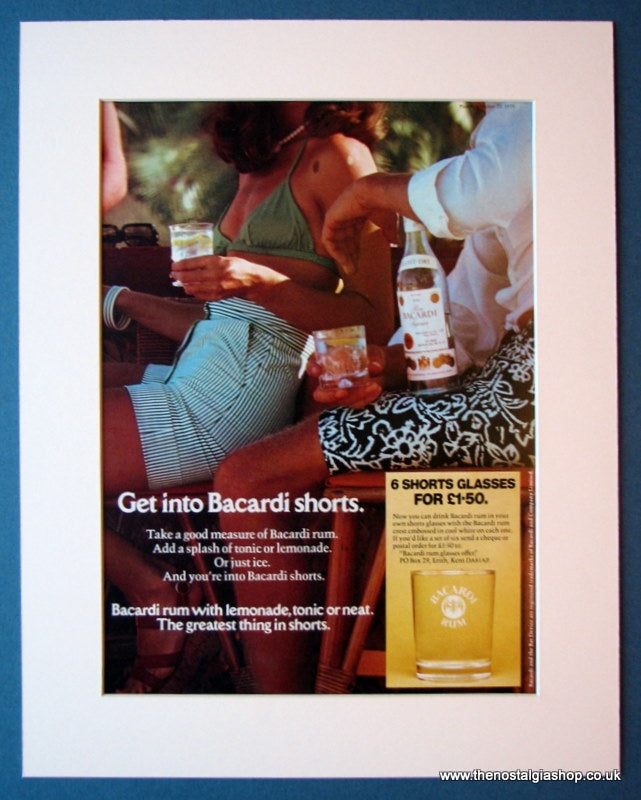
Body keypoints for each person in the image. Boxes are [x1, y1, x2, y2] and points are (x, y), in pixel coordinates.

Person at [213, 101, 534, 692]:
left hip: (535, 392)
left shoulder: (536, 108)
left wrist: (366, 194)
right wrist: (381, 366)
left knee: (247, 477)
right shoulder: (504, 130)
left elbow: (473, 191)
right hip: (508, 385)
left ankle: (279, 708)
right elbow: (467, 321)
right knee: (278, 452)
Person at [103, 101, 395, 692]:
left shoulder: (339, 157)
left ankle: (152, 591)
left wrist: (258, 280)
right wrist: (119, 298)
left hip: (231, 398)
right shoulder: (265, 155)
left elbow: (376, 321)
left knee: (30, 452)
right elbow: (225, 323)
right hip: (199, 374)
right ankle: (151, 587)